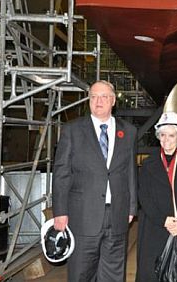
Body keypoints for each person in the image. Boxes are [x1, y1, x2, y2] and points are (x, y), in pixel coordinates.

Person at [52, 80, 137, 281]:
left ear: (113, 101)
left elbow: (130, 172)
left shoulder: (129, 132)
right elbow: (61, 173)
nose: (98, 101)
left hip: (117, 215)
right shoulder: (72, 130)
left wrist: (131, 208)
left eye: (104, 96)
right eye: (93, 96)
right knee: (81, 273)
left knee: (114, 274)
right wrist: (60, 211)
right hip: (82, 216)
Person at [136, 111, 177, 281]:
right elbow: (143, 196)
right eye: (163, 135)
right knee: (153, 273)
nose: (166, 140)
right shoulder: (148, 164)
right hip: (155, 228)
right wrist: (162, 220)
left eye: (171, 136)